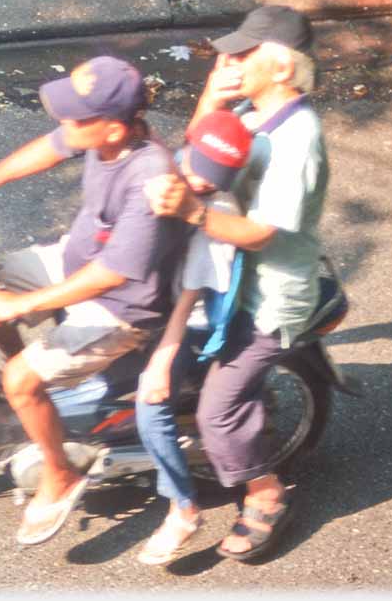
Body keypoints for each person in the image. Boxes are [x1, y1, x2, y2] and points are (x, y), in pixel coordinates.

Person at [0, 55, 188, 546]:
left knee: (20, 375)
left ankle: (60, 474)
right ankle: (32, 396)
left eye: (77, 116)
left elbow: (112, 275)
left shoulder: (148, 177)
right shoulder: (103, 136)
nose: (64, 123)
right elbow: (52, 147)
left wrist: (21, 306)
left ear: (114, 128)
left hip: (123, 306)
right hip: (76, 260)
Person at [143, 4, 329, 562]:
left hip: (266, 293)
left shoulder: (297, 140)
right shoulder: (254, 110)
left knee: (217, 412)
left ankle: (266, 493)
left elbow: (261, 233)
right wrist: (212, 96)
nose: (230, 59)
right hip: (227, 270)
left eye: (244, 54)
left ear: (279, 68)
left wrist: (192, 214)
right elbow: (204, 150)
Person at [132, 110, 254, 565]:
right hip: (147, 296)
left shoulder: (213, 211)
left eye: (214, 179)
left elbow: (189, 297)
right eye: (196, 171)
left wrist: (162, 362)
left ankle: (182, 506)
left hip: (188, 317)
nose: (203, 184)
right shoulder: (164, 164)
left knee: (150, 404)